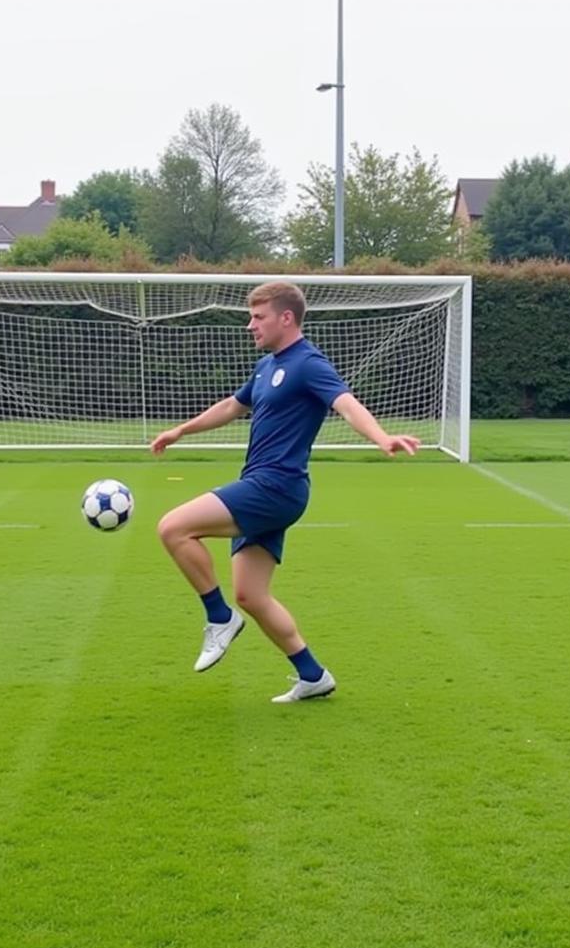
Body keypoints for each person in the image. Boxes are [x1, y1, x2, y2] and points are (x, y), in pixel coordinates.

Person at [150, 281, 419, 703]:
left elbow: (346, 403)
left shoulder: (309, 363)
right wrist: (180, 430)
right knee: (251, 595)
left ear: (286, 318)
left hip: (276, 486)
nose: (249, 326)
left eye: (258, 317)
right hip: (266, 485)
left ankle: (219, 619)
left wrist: (381, 437)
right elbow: (231, 406)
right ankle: (313, 675)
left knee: (173, 528)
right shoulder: (266, 367)